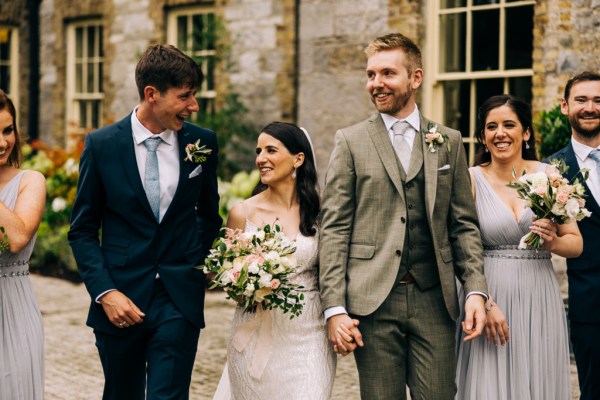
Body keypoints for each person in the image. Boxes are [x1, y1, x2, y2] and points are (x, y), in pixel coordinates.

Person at [319, 32, 488, 399]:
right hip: (373, 300)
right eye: (370, 75)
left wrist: (475, 290)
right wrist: (334, 308)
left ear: (415, 78)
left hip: (434, 299)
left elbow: (462, 225)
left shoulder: (448, 141)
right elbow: (333, 229)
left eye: (387, 74)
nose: (376, 84)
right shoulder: (350, 141)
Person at [68, 44, 222, 400]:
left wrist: (193, 263)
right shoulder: (101, 145)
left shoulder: (201, 142)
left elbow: (208, 215)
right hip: (120, 299)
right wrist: (106, 293)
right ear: (151, 94)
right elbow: (82, 230)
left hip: (177, 297)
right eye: (185, 96)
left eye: (194, 95)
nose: (194, 105)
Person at [455, 94, 582, 399]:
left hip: (538, 294)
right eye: (491, 127)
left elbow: (575, 244)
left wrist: (552, 241)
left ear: (525, 133)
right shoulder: (470, 179)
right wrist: (485, 300)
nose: (500, 133)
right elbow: (457, 246)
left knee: (537, 382)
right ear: (482, 137)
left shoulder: (549, 175)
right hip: (487, 293)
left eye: (509, 124)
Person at [212, 122, 336, 400]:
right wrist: (245, 281)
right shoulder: (241, 213)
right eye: (258, 151)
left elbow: (334, 270)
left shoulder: (321, 213)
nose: (260, 159)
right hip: (253, 334)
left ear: (298, 158)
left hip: (309, 335)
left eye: (271, 150)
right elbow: (225, 273)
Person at [546, 71, 600, 400]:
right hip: (590, 308)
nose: (590, 107)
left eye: (598, 100)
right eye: (581, 100)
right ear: (566, 106)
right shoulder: (550, 171)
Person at [0, 89, 46, 399]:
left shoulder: (30, 180)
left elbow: (16, 237)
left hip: (13, 309)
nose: (3, 142)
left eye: (7, 130)